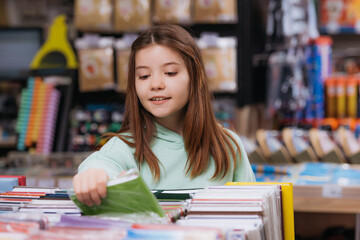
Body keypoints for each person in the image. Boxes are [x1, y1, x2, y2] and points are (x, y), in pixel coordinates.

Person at [73, 24, 255, 207]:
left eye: (170, 73)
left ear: (196, 76)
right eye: (144, 76)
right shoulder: (126, 147)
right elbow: (100, 164)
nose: (156, 84)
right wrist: (93, 175)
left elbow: (253, 212)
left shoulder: (229, 146)